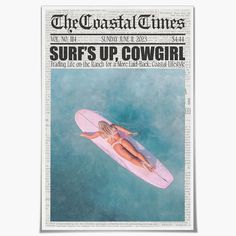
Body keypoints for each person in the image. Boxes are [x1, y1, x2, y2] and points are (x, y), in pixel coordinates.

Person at [80, 120, 154, 172]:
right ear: (106, 123)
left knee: (131, 158)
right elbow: (127, 131)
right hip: (122, 140)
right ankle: (148, 164)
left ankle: (143, 166)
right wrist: (130, 133)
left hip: (115, 146)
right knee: (136, 153)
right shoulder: (113, 126)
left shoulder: (100, 133)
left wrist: (84, 134)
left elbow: (90, 137)